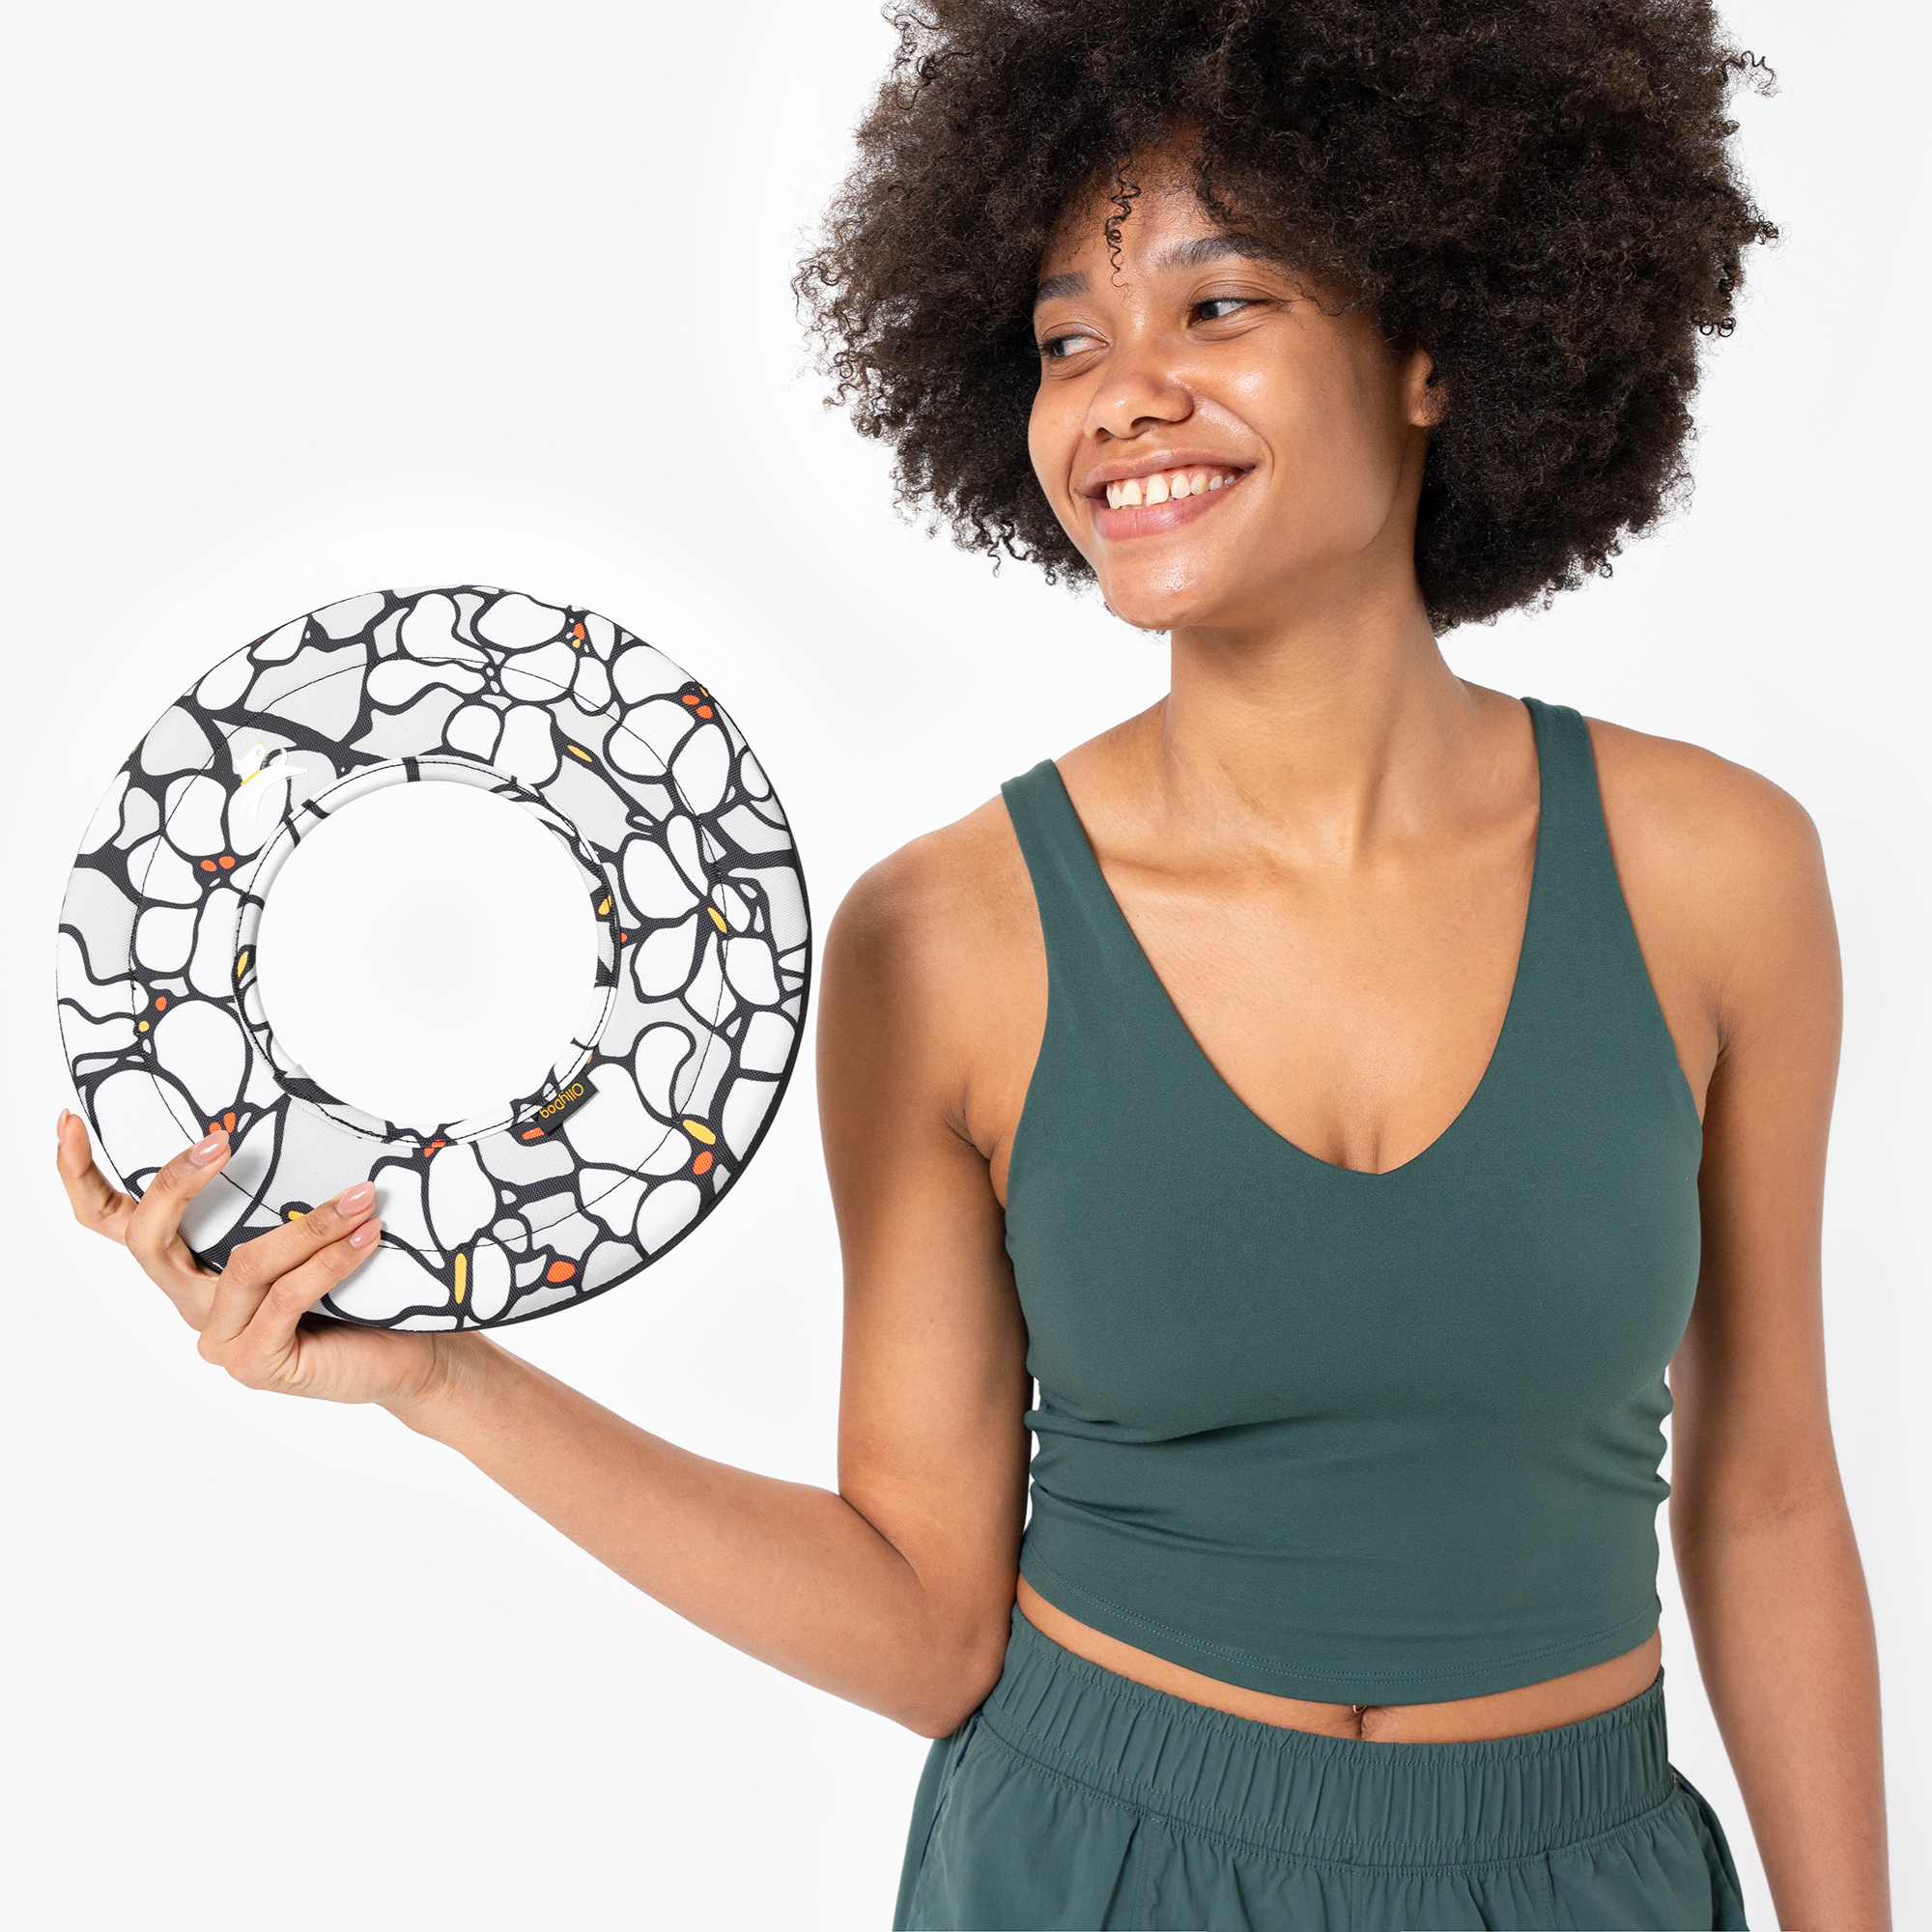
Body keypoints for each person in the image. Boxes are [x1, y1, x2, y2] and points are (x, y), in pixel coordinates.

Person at [57, 2, 1890, 1926]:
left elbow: (1764, 1497)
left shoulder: (1716, 872)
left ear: (1433, 347)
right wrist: (444, 1381)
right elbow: (928, 1624)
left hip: (1575, 1868)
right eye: (1063, 339)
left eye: (1218, 306)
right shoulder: (946, 937)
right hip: (1093, 1859)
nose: (1122, 394)